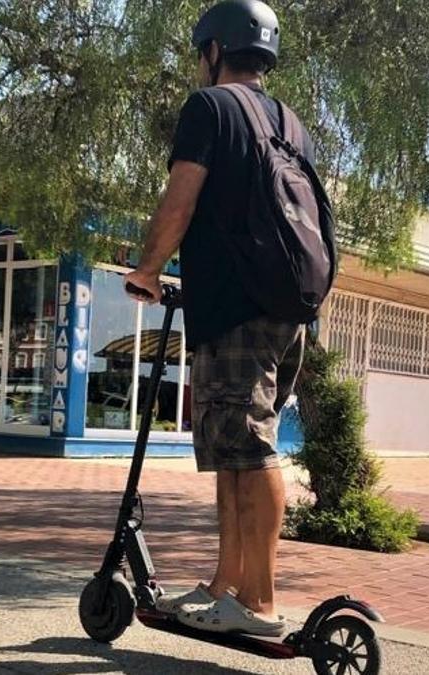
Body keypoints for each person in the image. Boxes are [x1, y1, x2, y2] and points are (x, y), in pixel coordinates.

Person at [122, 0, 315, 638]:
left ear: (213, 51)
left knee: (250, 449)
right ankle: (225, 585)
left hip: (238, 309)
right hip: (288, 311)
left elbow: (183, 192)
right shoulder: (290, 123)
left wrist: (148, 269)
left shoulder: (210, 108)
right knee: (235, 448)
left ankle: (258, 602)